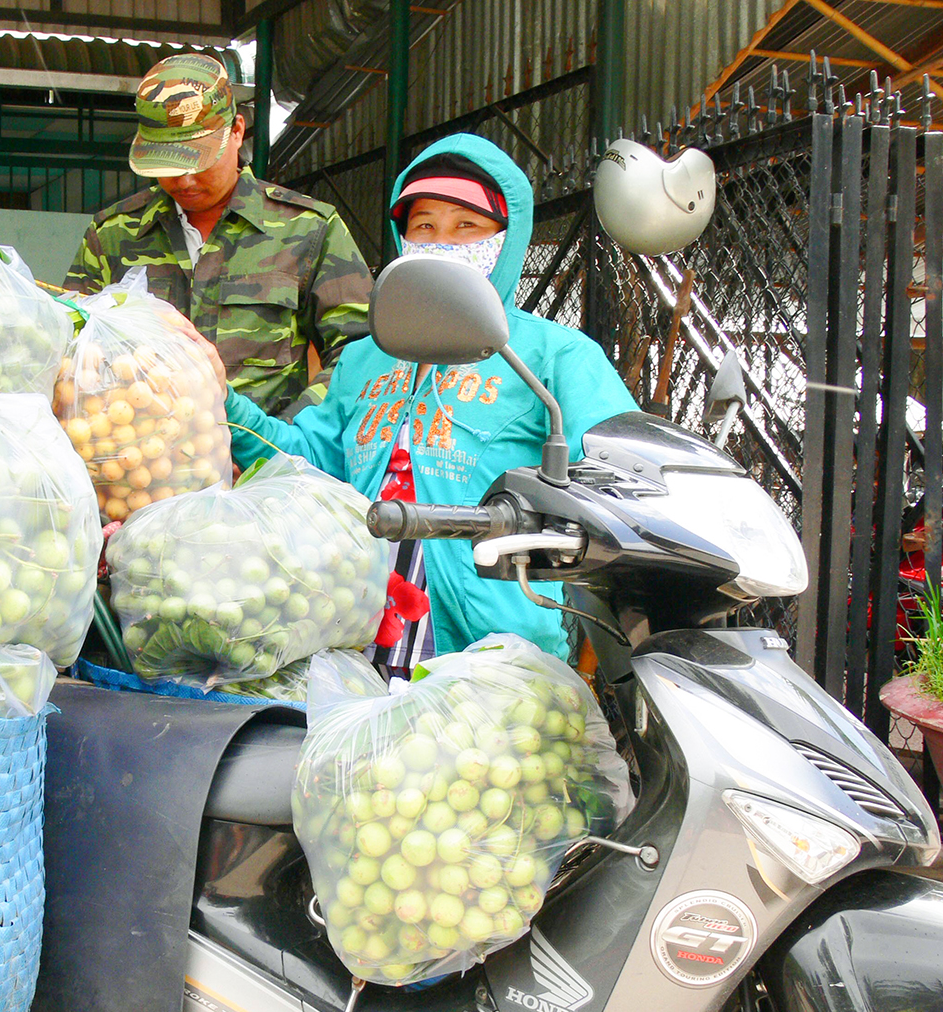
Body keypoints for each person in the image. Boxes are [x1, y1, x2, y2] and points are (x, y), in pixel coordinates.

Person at [221, 134, 638, 672]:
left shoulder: (555, 356)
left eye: (467, 226)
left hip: (493, 651)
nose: (443, 242)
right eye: (424, 226)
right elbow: (305, 464)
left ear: (507, 238)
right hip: (354, 633)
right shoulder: (368, 357)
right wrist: (222, 402)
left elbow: (617, 474)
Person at [64, 53, 373, 418]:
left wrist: (287, 436)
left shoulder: (308, 230)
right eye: (168, 165)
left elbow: (360, 355)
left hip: (263, 466)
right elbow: (70, 353)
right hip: (141, 460)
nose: (185, 180)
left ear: (238, 131)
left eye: (200, 159)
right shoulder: (113, 235)